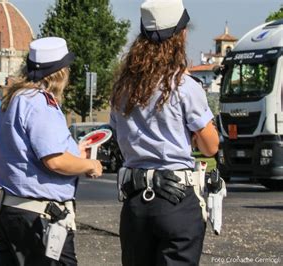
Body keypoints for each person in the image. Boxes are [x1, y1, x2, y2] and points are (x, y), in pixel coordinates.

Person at [110, 0, 219, 265]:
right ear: (180, 34)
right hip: (176, 200)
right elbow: (210, 147)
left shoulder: (123, 89)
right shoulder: (183, 84)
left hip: (136, 201)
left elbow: (117, 135)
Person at [0, 37, 103, 266]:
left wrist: (75, 151)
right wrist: (90, 164)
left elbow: (27, 151)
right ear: (59, 73)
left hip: (9, 210)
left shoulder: (12, 100)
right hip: (38, 218)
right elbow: (55, 160)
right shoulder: (40, 103)